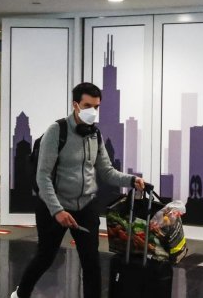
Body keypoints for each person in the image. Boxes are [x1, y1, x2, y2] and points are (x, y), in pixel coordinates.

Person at [12, 82, 144, 298]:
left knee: (91, 262)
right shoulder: (57, 131)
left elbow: (107, 171)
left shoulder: (95, 135)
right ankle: (20, 294)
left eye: (97, 106)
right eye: (88, 105)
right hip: (54, 206)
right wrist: (57, 211)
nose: (93, 111)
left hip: (85, 206)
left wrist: (131, 180)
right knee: (45, 257)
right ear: (75, 105)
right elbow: (42, 176)